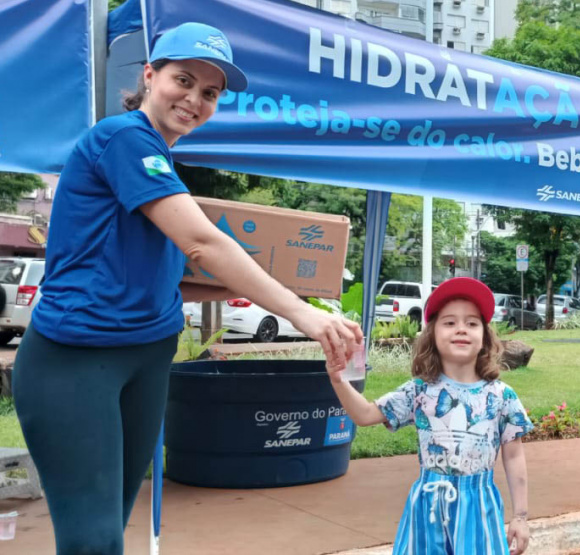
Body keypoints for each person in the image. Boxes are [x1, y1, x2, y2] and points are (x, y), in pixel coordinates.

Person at [13, 23, 362, 554]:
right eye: (183, 80)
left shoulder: (159, 162)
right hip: (76, 359)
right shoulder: (124, 138)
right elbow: (202, 244)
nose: (194, 99)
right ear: (149, 76)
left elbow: (167, 278)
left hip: (145, 357)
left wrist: (266, 291)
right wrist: (303, 314)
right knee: (93, 540)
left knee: (111, 524)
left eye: (210, 92)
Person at [327, 277, 533, 554]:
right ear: (432, 335)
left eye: (472, 323)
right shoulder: (419, 391)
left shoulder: (501, 396)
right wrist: (338, 380)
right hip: (427, 509)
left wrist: (520, 516)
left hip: (478, 508)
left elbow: (514, 456)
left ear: (484, 337)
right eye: (449, 322)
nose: (461, 328)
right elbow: (364, 415)